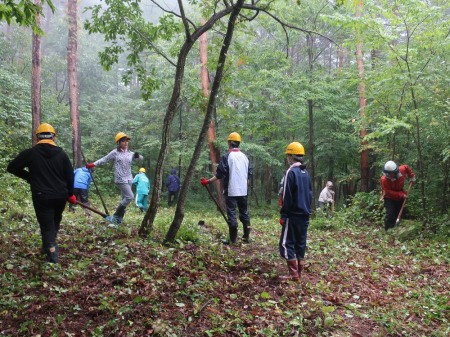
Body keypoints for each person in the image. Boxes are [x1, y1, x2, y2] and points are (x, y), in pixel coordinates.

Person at [7, 123, 76, 263]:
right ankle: (48, 246)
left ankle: (51, 252)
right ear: (54, 137)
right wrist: (71, 193)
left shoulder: (30, 153)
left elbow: (12, 167)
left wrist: (29, 177)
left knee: (46, 225)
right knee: (55, 220)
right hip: (60, 195)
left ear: (37, 137)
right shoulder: (62, 155)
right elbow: (70, 176)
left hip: (41, 195)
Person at [200, 132, 253, 244]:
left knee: (232, 214)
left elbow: (220, 174)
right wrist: (244, 186)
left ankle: (233, 239)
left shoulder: (227, 156)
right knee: (245, 213)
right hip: (243, 191)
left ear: (229, 143)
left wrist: (208, 181)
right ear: (239, 143)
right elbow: (249, 174)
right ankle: (246, 237)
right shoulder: (245, 157)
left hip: (231, 190)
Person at [86, 132, 143, 227]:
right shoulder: (115, 153)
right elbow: (104, 159)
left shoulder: (130, 153)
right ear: (118, 142)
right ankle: (116, 217)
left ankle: (118, 221)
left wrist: (138, 156)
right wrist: (93, 164)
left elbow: (141, 158)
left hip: (129, 179)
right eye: (123, 141)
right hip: (120, 179)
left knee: (124, 199)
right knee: (130, 197)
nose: (126, 143)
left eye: (126, 141)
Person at [279, 142, 312, 281]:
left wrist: (284, 214)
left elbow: (287, 195)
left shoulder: (291, 172)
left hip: (293, 215)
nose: (287, 158)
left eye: (288, 155)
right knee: (300, 242)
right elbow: (310, 194)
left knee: (286, 243)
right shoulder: (306, 173)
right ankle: (298, 272)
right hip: (305, 214)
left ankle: (293, 274)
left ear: (291, 156)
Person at [381, 160, 415, 231]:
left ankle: (396, 229)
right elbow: (388, 192)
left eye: (390, 173)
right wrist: (401, 195)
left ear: (395, 172)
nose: (388, 175)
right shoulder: (384, 179)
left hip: (400, 193)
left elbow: (406, 167)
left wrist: (411, 176)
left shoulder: (402, 170)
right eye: (387, 173)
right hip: (389, 197)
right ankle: (388, 231)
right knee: (390, 213)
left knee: (398, 212)